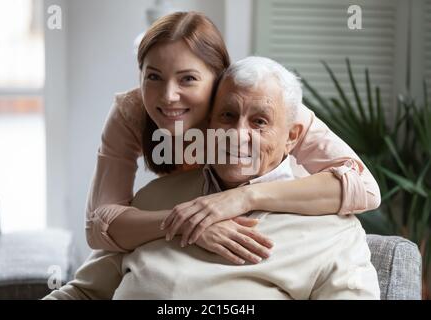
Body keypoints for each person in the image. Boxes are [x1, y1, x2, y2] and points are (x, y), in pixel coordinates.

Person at [44, 57, 380, 300]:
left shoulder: (335, 232)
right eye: (228, 116)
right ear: (208, 124)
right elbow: (82, 293)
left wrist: (243, 198)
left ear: (292, 136)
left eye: (259, 122)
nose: (237, 135)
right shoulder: (154, 198)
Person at [86, 11, 381, 264]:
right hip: (191, 224)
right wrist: (192, 224)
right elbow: (97, 225)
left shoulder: (263, 105)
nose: (168, 96)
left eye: (188, 78)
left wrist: (241, 197)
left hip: (276, 216)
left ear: (218, 79)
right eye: (153, 76)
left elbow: (366, 188)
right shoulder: (131, 112)